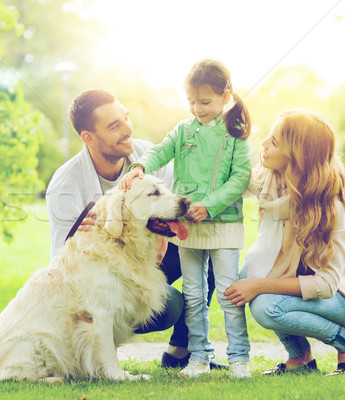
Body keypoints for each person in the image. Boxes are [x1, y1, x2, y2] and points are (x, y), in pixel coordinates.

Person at [45, 88, 225, 370]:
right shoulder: (65, 186)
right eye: (114, 126)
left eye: (125, 118)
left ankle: (182, 352)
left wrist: (162, 234)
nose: (127, 129)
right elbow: (60, 264)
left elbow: (173, 204)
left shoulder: (147, 155)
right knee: (170, 307)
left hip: (149, 253)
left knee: (211, 251)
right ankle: (102, 350)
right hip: (103, 275)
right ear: (88, 138)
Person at [224, 109, 345, 376]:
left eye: (275, 142)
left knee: (267, 306)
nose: (264, 145)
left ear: (297, 156)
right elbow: (232, 179)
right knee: (251, 273)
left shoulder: (329, 205)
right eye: (268, 137)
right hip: (309, 281)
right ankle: (301, 359)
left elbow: (326, 285)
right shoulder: (273, 179)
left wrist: (260, 285)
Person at [120, 59, 252, 378]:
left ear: (225, 96)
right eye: (192, 102)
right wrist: (139, 166)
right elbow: (160, 151)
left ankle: (239, 359)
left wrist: (209, 205)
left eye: (204, 102)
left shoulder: (235, 134)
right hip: (189, 229)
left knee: (227, 293)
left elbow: (240, 178)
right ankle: (199, 357)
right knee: (193, 294)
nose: (197, 109)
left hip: (223, 226)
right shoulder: (183, 130)